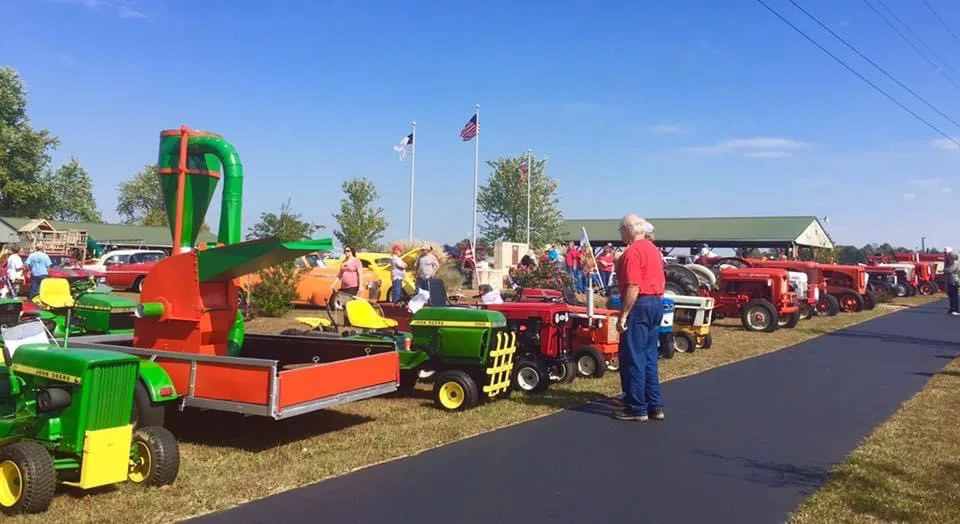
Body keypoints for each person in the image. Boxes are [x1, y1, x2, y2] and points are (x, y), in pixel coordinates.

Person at [612, 214, 666, 422]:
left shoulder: (632, 252)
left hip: (639, 304)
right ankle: (654, 404)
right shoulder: (653, 250)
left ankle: (636, 406)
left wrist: (623, 314)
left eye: (620, 230)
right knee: (650, 356)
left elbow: (633, 285)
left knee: (633, 356)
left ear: (627, 230)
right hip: (656, 302)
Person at [945, 248, 959, 315]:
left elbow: (949, 270)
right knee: (951, 295)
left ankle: (955, 309)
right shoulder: (951, 263)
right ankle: (952, 308)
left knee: (954, 295)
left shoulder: (955, 263)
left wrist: (945, 269)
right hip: (950, 280)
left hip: (954, 280)